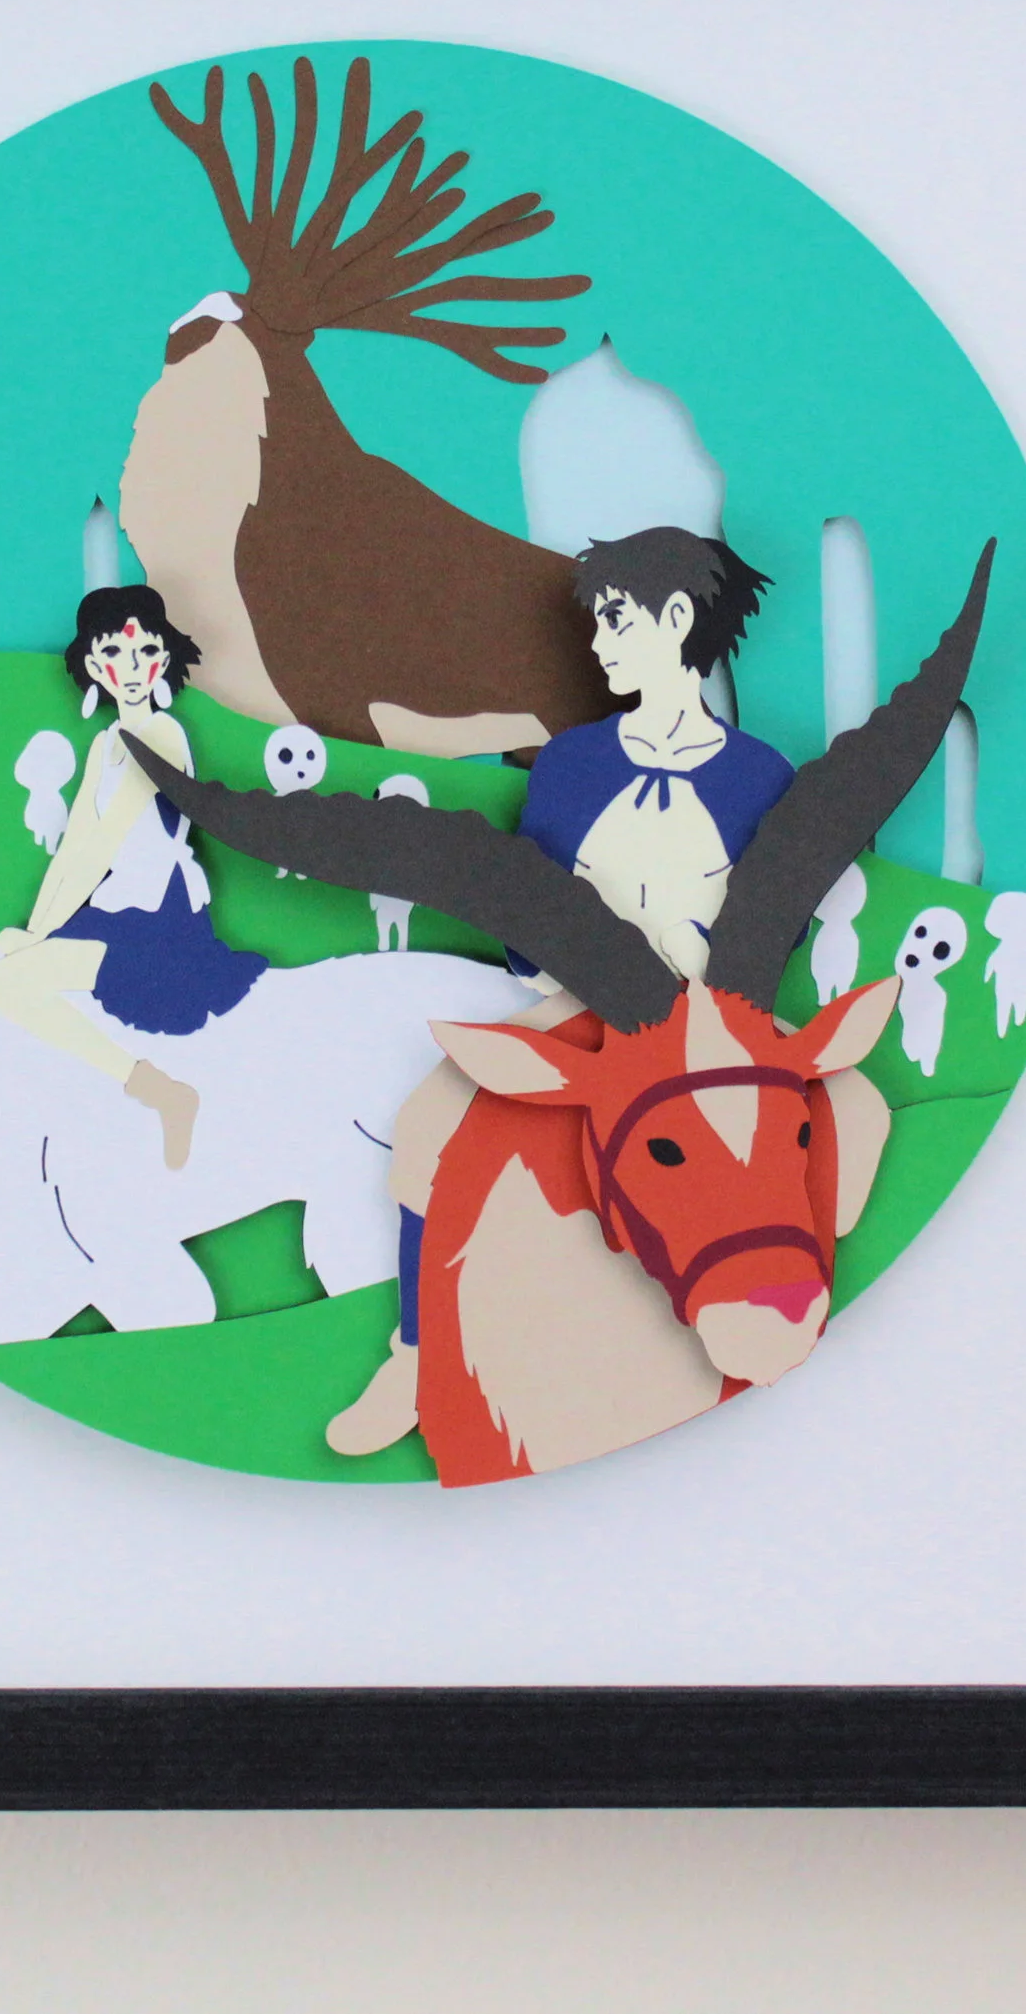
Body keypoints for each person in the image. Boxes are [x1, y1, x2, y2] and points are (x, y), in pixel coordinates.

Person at [325, 527, 795, 1456]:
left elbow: (778, 917)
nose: (600, 643)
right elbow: (528, 906)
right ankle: (415, 1355)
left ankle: (781, 1296)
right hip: (586, 1005)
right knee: (429, 1121)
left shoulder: (759, 775)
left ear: (676, 616)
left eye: (617, 620)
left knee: (841, 1109)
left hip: (717, 1023)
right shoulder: (573, 763)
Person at [0, 586, 266, 1169]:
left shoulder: (162, 735)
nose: (131, 668)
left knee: (2, 984)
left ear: (163, 657)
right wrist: (37, 928)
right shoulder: (106, 742)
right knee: (3, 975)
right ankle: (156, 1092)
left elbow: (106, 843)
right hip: (115, 911)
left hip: (160, 921)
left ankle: (163, 1093)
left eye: (144, 652)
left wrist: (41, 937)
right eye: (113, 653)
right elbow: (76, 844)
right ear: (92, 664)